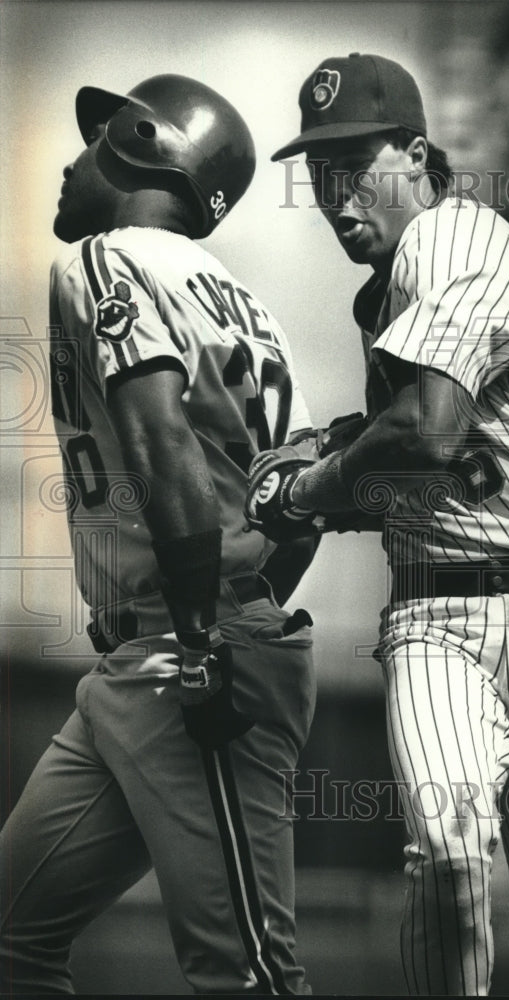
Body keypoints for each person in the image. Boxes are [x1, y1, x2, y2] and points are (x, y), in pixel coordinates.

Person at [248, 53, 509, 997]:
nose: (333, 193)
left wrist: (306, 489)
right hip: (439, 619)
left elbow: (427, 436)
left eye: (355, 166)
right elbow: (434, 470)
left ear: (419, 153)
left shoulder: (453, 237)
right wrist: (331, 477)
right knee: (446, 843)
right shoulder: (399, 289)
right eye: (318, 174)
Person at [0, 73, 316, 995]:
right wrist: (236, 607)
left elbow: (158, 437)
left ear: (144, 140)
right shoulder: (254, 311)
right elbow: (295, 510)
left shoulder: (105, 258)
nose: (70, 161)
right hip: (160, 655)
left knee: (247, 974)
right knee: (10, 939)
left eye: (95, 139)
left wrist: (204, 635)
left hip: (186, 656)